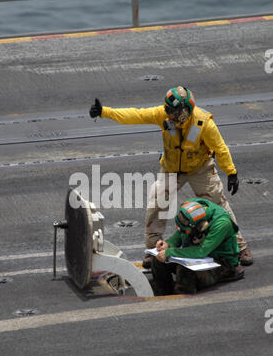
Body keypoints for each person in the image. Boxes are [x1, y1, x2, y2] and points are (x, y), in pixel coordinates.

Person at [89, 86, 253, 267]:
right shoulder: (164, 114)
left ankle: (241, 246)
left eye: (172, 111)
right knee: (156, 205)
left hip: (200, 169)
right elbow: (136, 115)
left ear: (184, 111)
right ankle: (152, 251)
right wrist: (105, 112)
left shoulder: (204, 123)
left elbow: (220, 148)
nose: (168, 114)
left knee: (219, 203)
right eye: (167, 110)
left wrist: (231, 172)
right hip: (171, 169)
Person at [150, 199, 245, 295]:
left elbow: (201, 251)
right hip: (199, 255)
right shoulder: (191, 208)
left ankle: (181, 297)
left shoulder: (222, 223)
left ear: (199, 227)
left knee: (184, 270)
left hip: (221, 263)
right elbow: (181, 232)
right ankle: (162, 292)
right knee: (157, 259)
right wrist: (168, 244)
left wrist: (170, 252)